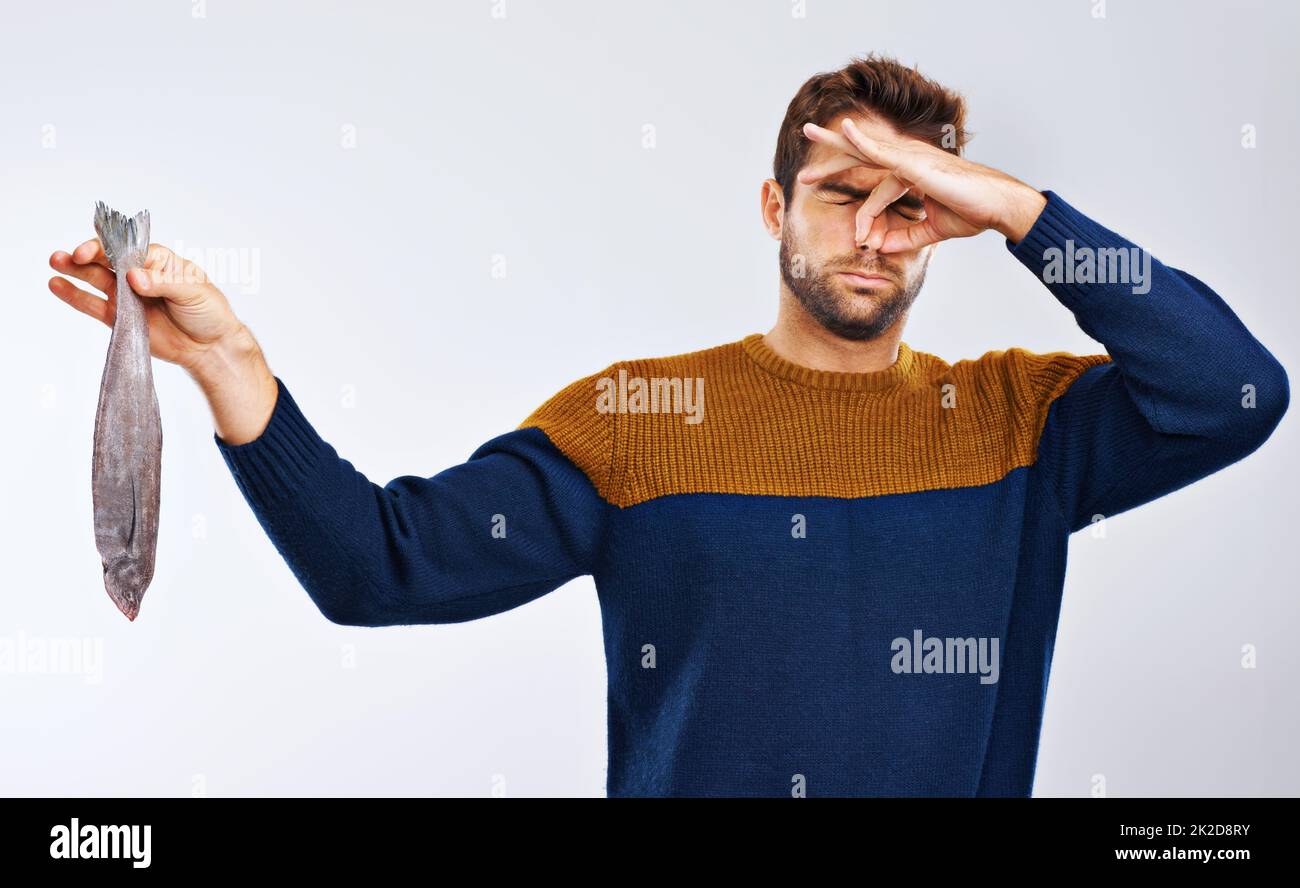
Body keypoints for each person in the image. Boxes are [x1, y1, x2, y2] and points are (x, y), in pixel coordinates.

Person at [48, 55, 1288, 797]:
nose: (872, 233)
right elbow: (380, 568)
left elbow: (1236, 391)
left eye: (910, 205)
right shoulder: (644, 421)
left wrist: (1023, 211)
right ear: (771, 207)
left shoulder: (1023, 421)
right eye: (840, 194)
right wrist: (228, 361)